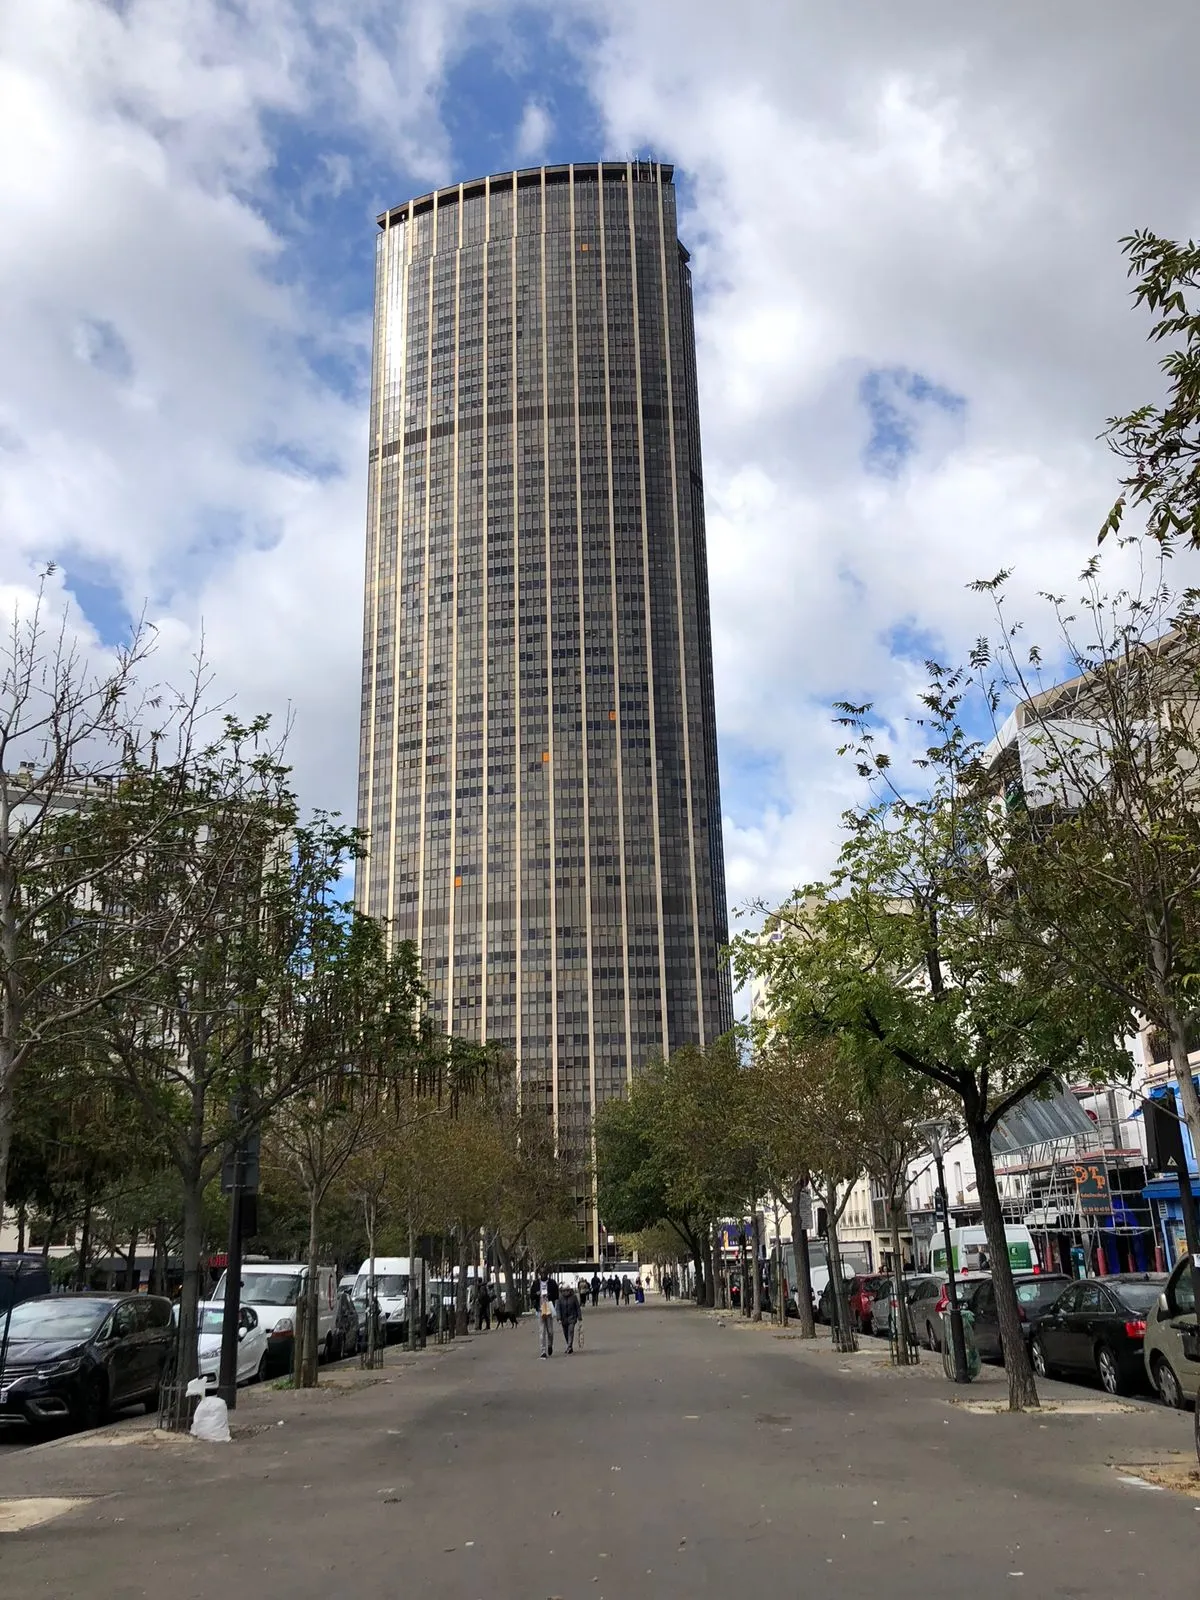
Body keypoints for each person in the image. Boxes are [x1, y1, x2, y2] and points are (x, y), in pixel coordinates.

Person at [536, 1269, 559, 1357]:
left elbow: (556, 1295)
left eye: (544, 1273)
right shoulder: (536, 1283)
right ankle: (543, 1351)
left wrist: (550, 1295)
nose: (543, 1274)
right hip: (540, 1308)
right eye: (541, 1273)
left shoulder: (552, 1283)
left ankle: (550, 1345)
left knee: (550, 1331)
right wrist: (536, 1294)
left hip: (549, 1307)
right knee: (542, 1331)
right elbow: (531, 1295)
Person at [558, 1281, 582, 1352]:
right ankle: (569, 1344)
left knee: (571, 1331)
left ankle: (569, 1346)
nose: (566, 1292)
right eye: (564, 1291)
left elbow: (577, 1307)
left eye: (567, 1290)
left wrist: (579, 1317)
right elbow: (558, 1309)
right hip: (563, 1319)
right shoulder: (560, 1298)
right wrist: (559, 1318)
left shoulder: (574, 1297)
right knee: (565, 1333)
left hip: (572, 1318)